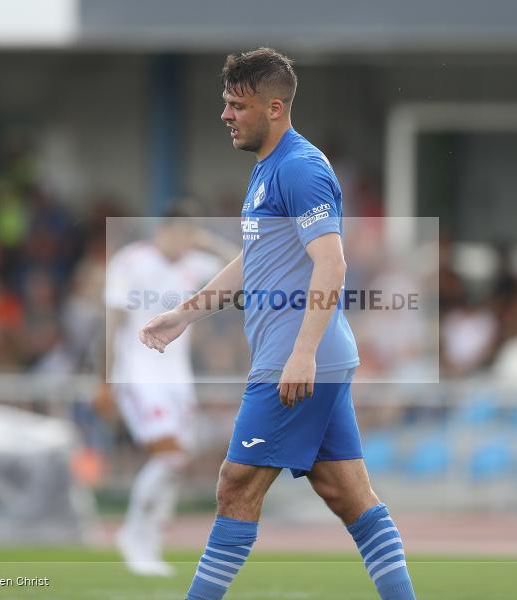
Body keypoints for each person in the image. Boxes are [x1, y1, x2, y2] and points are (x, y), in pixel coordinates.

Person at [137, 48, 417, 600]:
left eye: (236, 105)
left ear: (273, 108)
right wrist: (184, 314)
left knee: (235, 485)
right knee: (350, 497)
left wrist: (303, 354)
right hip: (309, 358)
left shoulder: (299, 168)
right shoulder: (269, 168)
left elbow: (333, 263)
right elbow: (254, 262)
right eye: (224, 102)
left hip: (295, 362)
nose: (225, 115)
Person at [103, 211, 233, 576]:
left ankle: (150, 541)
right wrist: (107, 377)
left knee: (178, 461)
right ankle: (132, 535)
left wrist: (209, 241)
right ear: (163, 230)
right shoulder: (131, 261)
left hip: (177, 378)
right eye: (181, 233)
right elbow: (113, 320)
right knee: (171, 457)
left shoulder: (195, 262)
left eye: (191, 234)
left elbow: (246, 266)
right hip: (139, 373)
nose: (185, 241)